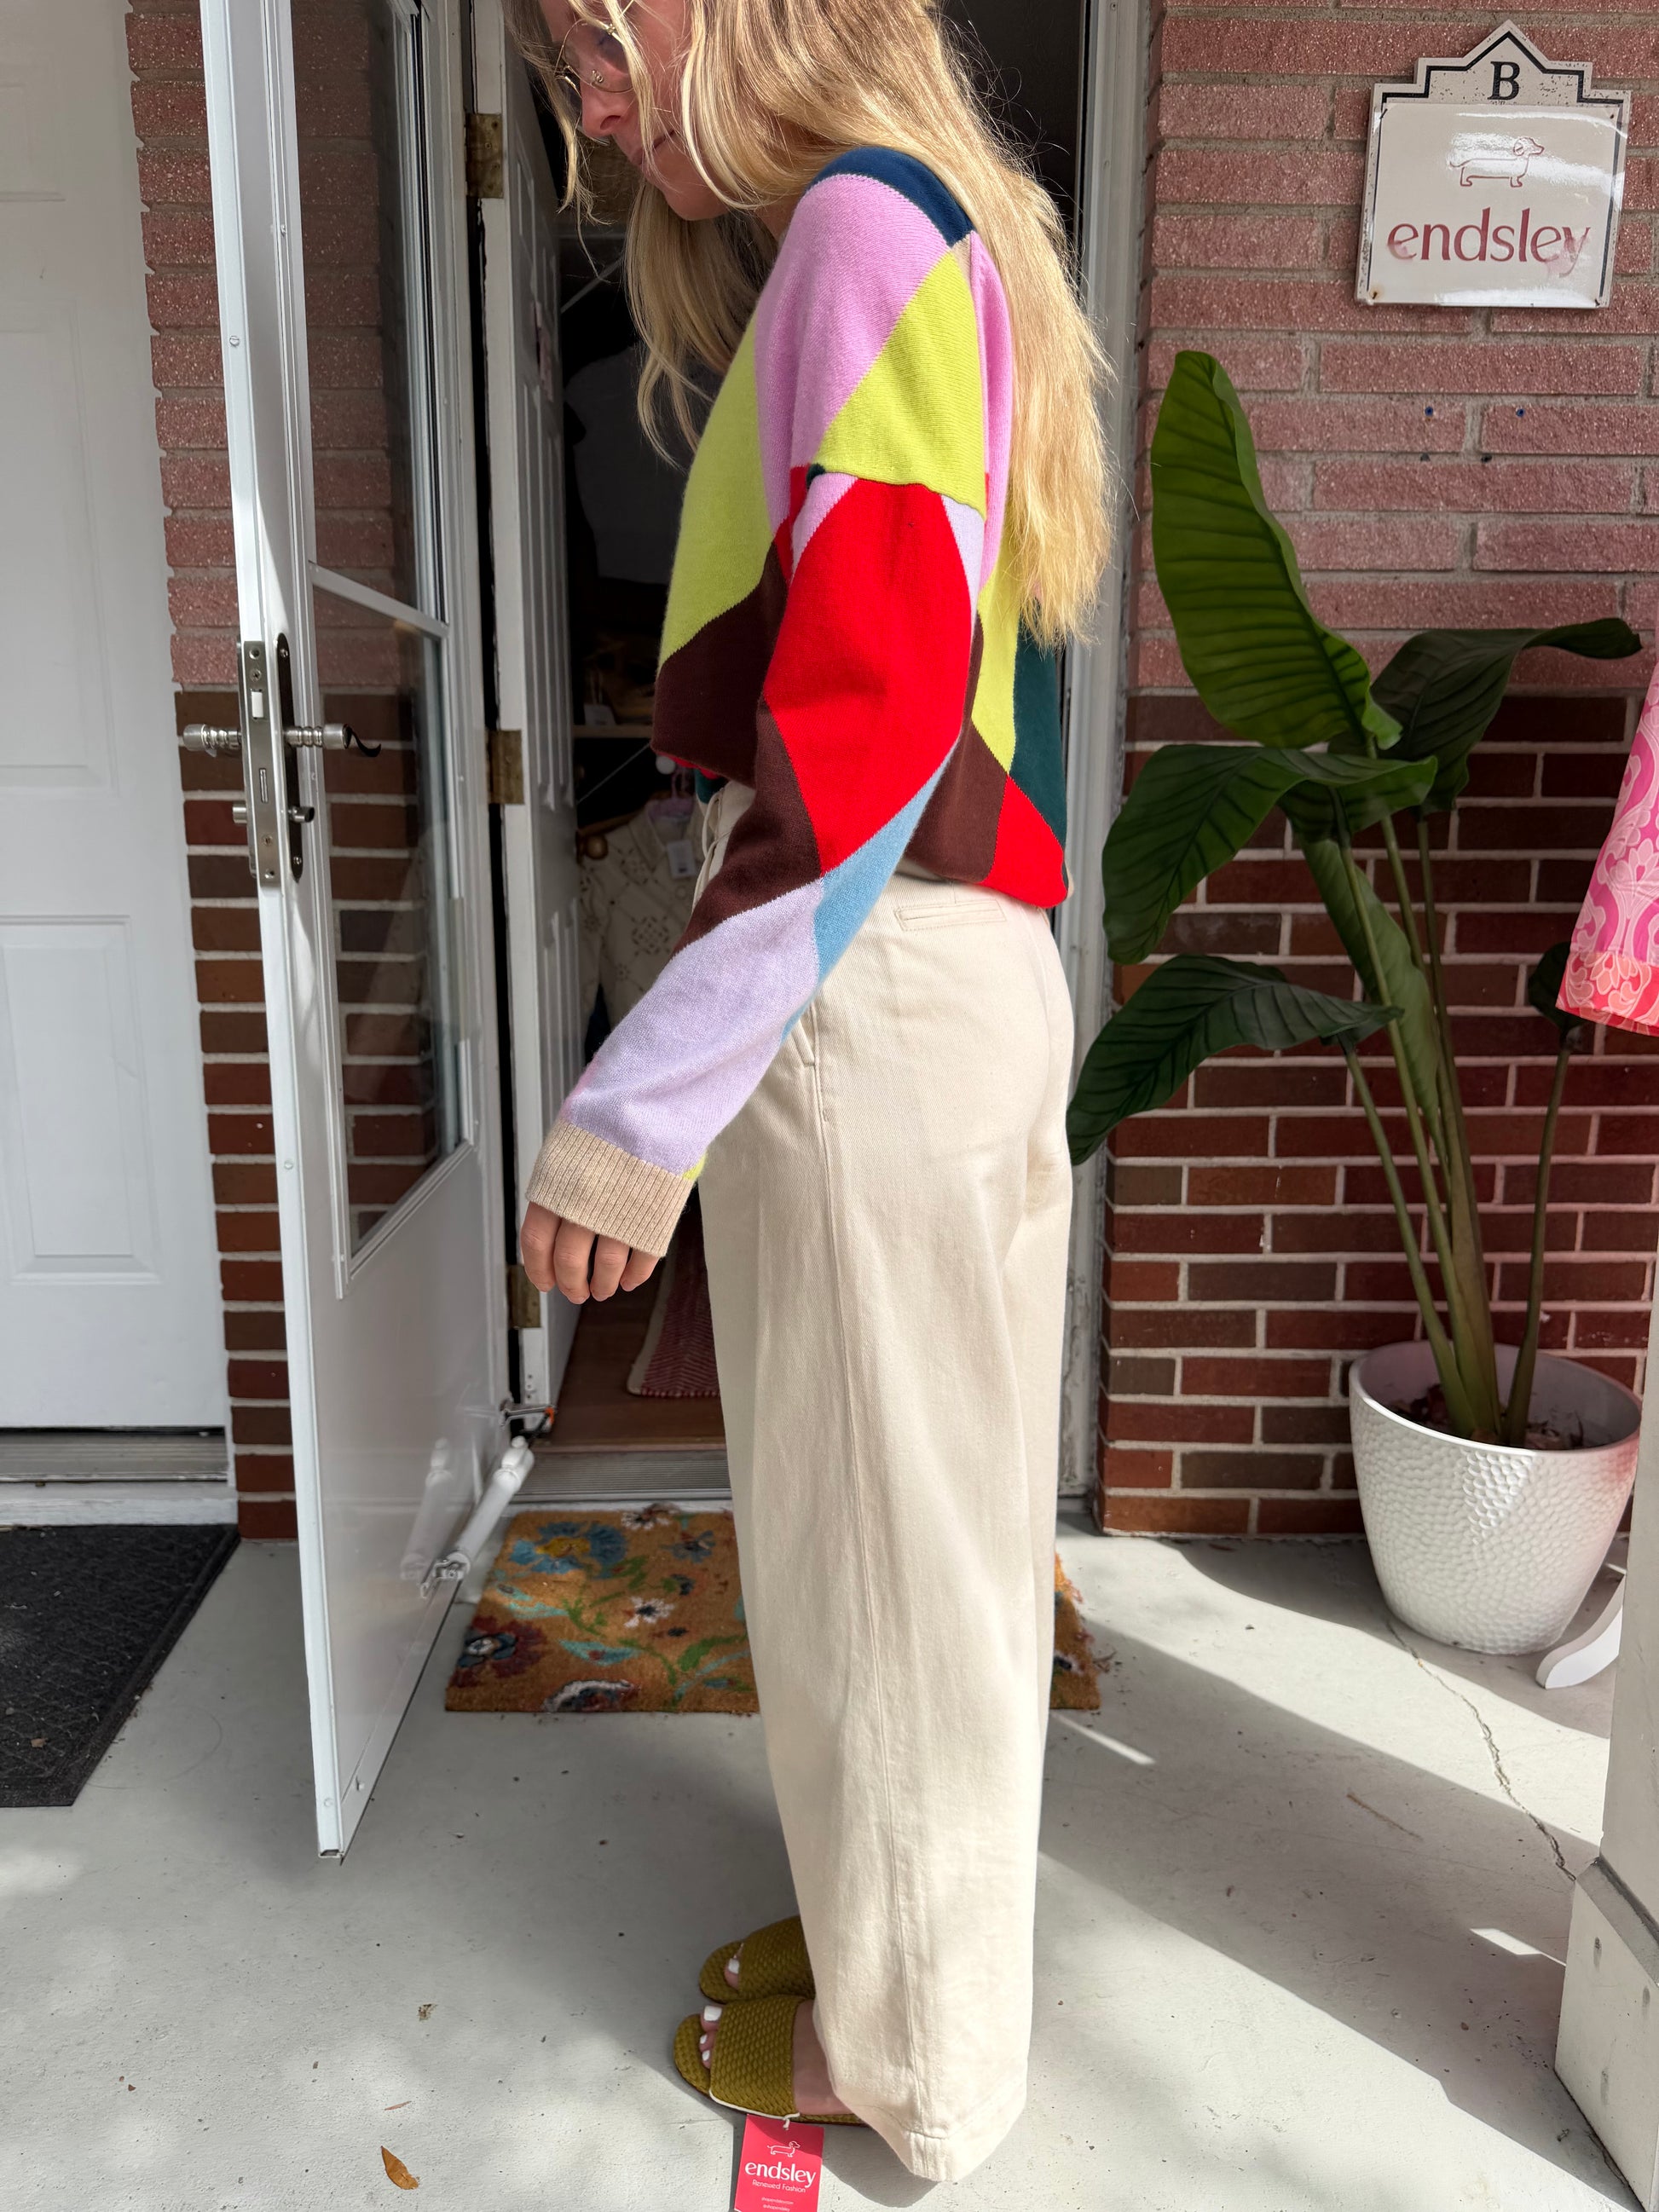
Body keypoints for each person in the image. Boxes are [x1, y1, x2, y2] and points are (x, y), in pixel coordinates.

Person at [508, 0, 1108, 2180]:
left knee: (879, 1562)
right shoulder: (914, 230)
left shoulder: (861, 230)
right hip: (939, 978)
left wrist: (631, 1111)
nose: (589, 105)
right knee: (919, 1544)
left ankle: (918, 2062)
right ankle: (900, 1968)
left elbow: (856, 747)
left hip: (869, 990)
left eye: (598, 40)